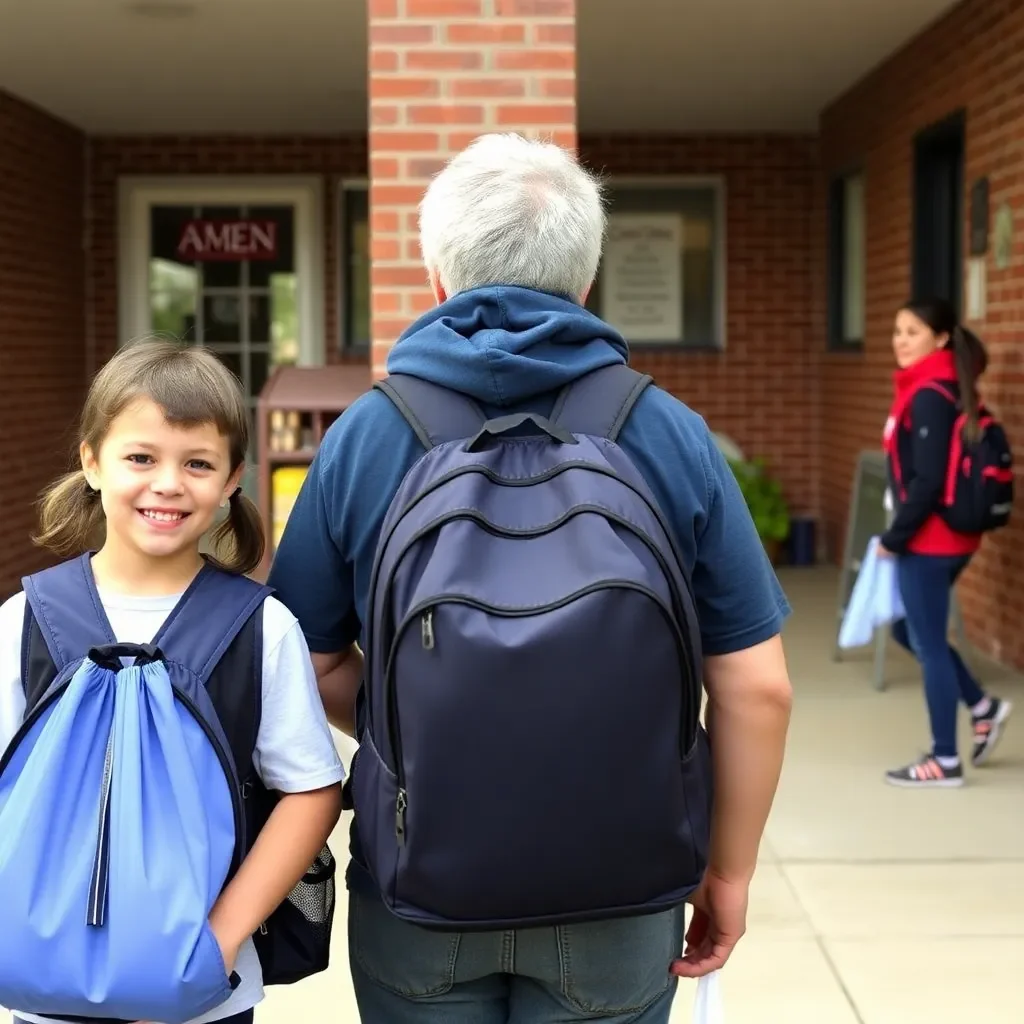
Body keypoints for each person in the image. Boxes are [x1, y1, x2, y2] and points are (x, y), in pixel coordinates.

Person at [268, 132, 794, 1023]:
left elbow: (303, 663)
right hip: (620, 892)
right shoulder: (665, 431)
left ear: (438, 276)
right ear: (586, 283)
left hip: (420, 888)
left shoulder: (366, 434)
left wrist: (440, 725)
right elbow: (757, 689)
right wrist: (729, 872)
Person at [0, 338, 345, 1024]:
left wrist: (215, 946)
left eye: (197, 463)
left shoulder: (261, 627)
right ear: (91, 461)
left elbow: (309, 790)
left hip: (203, 996)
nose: (167, 483)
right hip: (39, 981)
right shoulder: (24, 621)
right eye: (140, 457)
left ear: (232, 480)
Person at [880, 297, 1012, 787]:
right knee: (904, 629)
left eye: (912, 332)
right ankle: (982, 706)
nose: (900, 340)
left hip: (932, 542)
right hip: (948, 539)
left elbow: (928, 481)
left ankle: (944, 760)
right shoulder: (936, 386)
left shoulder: (931, 393)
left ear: (939, 339)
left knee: (929, 644)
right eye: (897, 331)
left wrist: (894, 539)